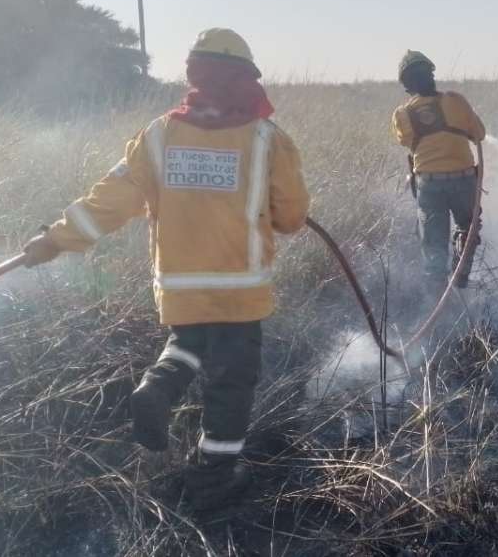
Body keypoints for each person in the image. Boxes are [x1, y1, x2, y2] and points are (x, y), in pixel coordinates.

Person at [21, 28, 310, 510]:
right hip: (240, 291)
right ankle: (216, 474)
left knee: (189, 345)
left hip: (181, 288)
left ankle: (158, 386)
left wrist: (54, 239)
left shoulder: (158, 135)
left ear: (194, 74)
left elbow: (107, 203)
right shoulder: (267, 139)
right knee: (231, 380)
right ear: (246, 78)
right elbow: (293, 217)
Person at [391, 50, 486, 290]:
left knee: (433, 248)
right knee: (469, 230)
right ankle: (460, 278)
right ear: (432, 74)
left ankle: (437, 301)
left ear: (406, 86)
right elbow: (480, 134)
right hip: (464, 181)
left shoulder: (401, 114)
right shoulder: (455, 101)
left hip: (429, 185)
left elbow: (407, 143)